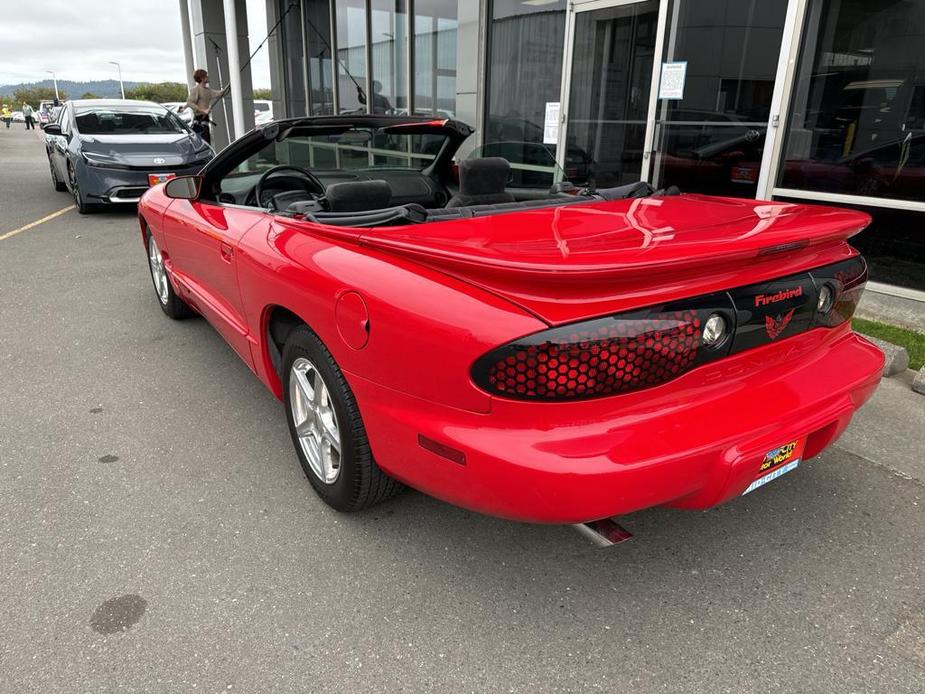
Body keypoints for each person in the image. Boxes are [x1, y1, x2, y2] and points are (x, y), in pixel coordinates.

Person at [185, 68, 226, 145]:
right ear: (202, 78)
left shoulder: (208, 90)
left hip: (205, 123)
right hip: (199, 123)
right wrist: (203, 110)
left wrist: (224, 91)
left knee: (207, 144)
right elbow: (189, 102)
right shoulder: (195, 90)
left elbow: (218, 94)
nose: (208, 77)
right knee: (202, 145)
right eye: (206, 76)